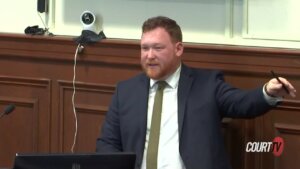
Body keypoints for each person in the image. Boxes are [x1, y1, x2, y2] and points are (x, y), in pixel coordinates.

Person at [96, 16, 296, 169]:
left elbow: (241, 103)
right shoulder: (126, 91)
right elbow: (107, 143)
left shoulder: (207, 84)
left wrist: (267, 92)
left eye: (157, 48)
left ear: (179, 49)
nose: (149, 56)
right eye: (144, 48)